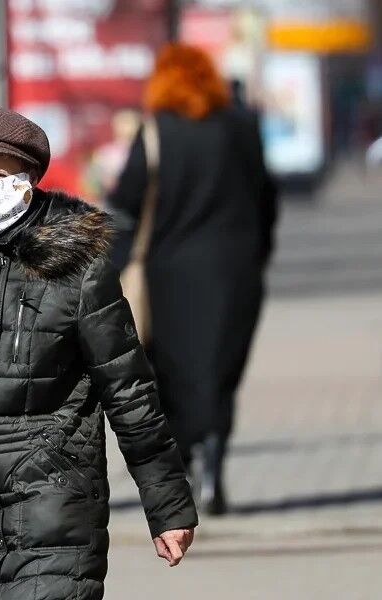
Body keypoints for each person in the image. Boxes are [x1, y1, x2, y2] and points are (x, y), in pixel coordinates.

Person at [0, 108, 198, 600]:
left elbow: (129, 391)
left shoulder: (78, 268)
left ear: (28, 178)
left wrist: (167, 505)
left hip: (53, 509)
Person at [108, 44, 278, 515]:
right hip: (235, 272)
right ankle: (215, 459)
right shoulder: (241, 127)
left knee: (171, 371)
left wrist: (116, 265)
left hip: (169, 275)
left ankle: (183, 459)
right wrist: (259, 255)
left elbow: (127, 201)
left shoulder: (156, 132)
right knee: (221, 372)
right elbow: (267, 197)